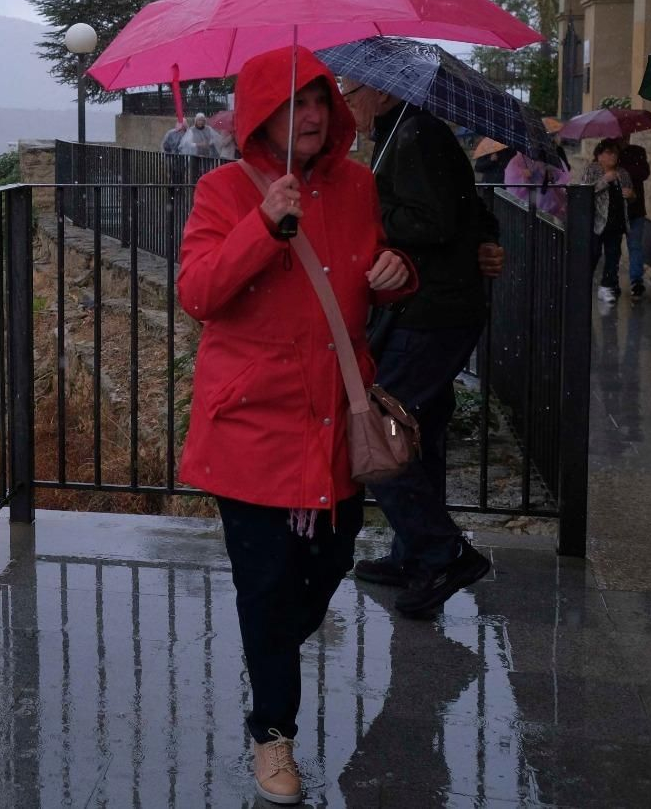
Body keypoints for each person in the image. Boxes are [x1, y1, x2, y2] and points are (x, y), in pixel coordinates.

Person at [177, 46, 414, 805]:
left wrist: (394, 275)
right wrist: (263, 225)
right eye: (294, 103)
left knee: (326, 568)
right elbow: (199, 293)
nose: (312, 115)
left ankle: (272, 649)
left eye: (320, 101)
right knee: (266, 585)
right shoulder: (222, 191)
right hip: (250, 430)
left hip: (335, 426)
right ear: (259, 115)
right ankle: (271, 736)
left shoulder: (357, 185)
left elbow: (367, 272)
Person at [340, 80, 501, 619]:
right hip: (429, 311)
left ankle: (442, 551)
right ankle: (413, 556)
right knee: (417, 429)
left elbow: (433, 220)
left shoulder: (416, 135)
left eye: (349, 91)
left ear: (381, 92)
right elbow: (473, 213)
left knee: (378, 429)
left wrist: (366, 206)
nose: (345, 102)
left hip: (432, 315)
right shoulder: (401, 133)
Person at [578, 139, 635, 303]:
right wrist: (604, 180)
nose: (613, 156)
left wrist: (631, 195)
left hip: (616, 223)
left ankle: (606, 287)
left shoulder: (623, 173)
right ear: (599, 155)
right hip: (597, 222)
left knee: (613, 256)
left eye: (615, 153)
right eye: (609, 153)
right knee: (593, 254)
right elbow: (584, 192)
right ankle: (582, 285)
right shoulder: (592, 170)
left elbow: (631, 196)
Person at [615, 134, 648, 297]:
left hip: (635, 210)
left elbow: (644, 173)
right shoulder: (608, 151)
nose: (623, 138)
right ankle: (611, 282)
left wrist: (623, 170)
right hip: (615, 211)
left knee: (635, 246)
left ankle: (636, 281)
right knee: (613, 247)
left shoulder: (638, 151)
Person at [502, 150, 569, 219]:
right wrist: (525, 174)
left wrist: (548, 174)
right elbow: (513, 183)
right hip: (529, 207)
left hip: (547, 206)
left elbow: (561, 176)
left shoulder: (545, 158)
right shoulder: (515, 162)